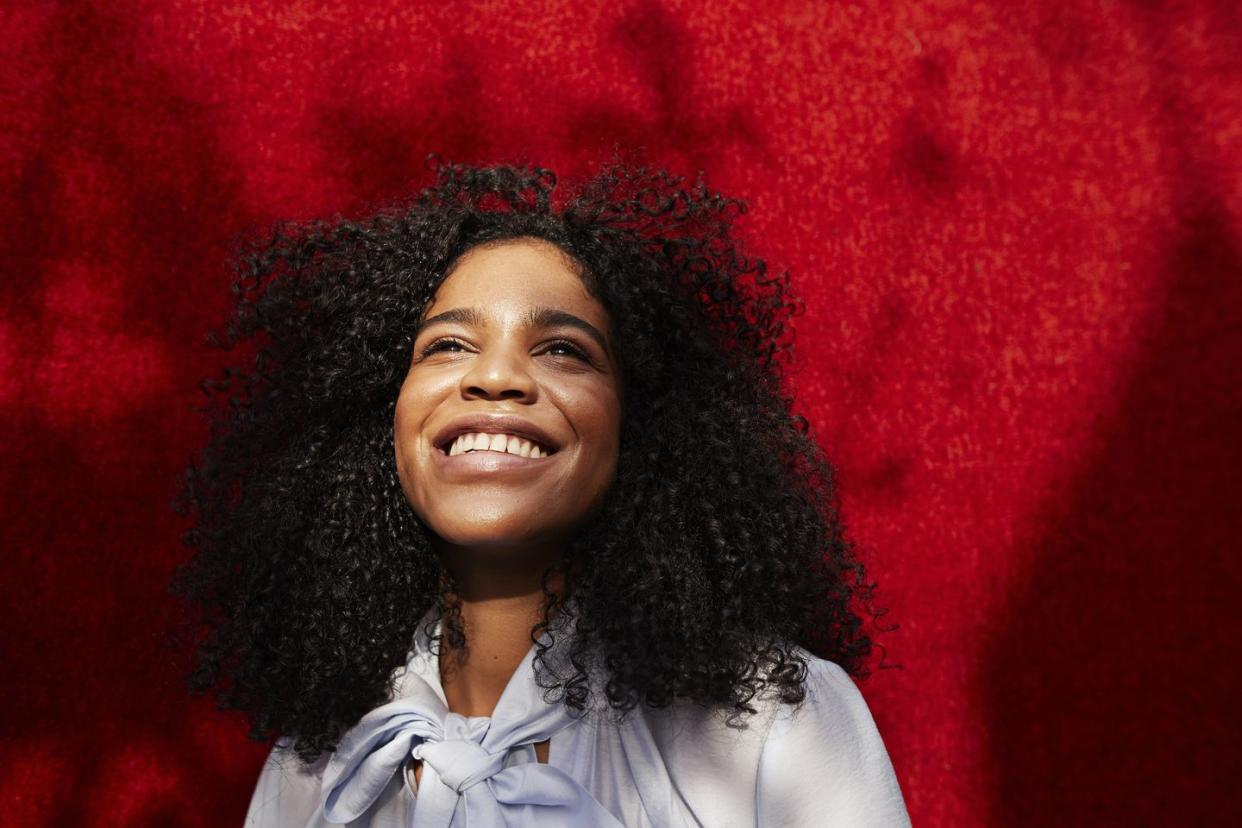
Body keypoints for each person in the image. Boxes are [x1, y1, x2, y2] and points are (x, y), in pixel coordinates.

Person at [172, 160, 911, 826]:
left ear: (643, 429)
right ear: (381, 417)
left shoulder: (773, 723)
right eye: (447, 345)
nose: (495, 377)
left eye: (563, 349)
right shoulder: (320, 760)